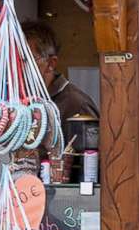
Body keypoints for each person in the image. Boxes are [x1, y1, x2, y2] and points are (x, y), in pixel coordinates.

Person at [23, 19, 100, 171]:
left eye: (27, 60)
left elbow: (93, 168)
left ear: (51, 64)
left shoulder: (76, 104)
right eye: (14, 61)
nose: (19, 68)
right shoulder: (20, 103)